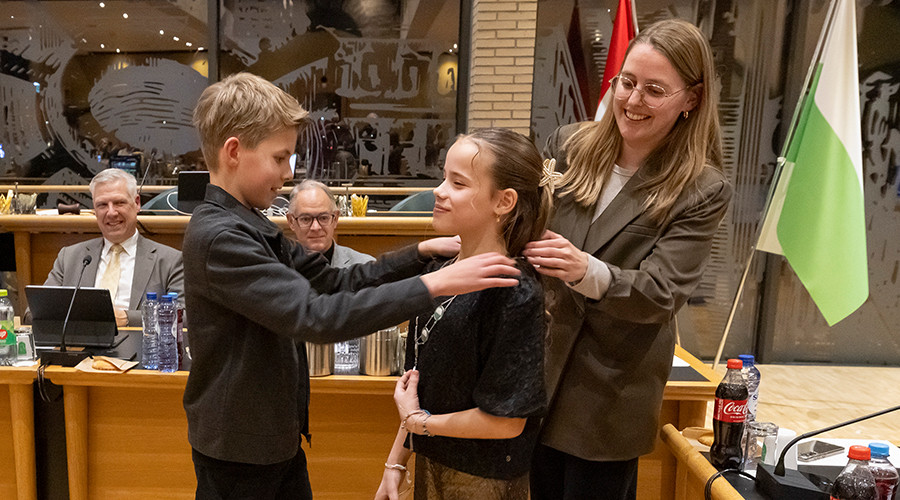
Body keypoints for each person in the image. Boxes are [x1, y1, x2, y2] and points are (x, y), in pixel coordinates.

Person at [183, 72, 522, 500]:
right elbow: (317, 316)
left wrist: (417, 253)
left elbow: (334, 280)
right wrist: (433, 283)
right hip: (240, 453)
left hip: (273, 441)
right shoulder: (220, 237)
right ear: (234, 151)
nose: (288, 173)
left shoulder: (248, 223)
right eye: (279, 157)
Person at [522, 19, 733, 499]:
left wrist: (585, 270)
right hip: (533, 370)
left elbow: (661, 293)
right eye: (627, 82)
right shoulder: (567, 147)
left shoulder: (702, 189)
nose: (633, 101)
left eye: (654, 90)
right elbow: (526, 226)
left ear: (691, 99)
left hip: (607, 389)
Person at [375, 128, 552, 500]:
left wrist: (418, 423)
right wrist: (396, 462)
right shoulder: (441, 268)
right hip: (432, 466)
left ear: (503, 201)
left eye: (458, 183)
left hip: (484, 481)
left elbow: (506, 421)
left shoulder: (513, 290)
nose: (439, 191)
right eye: (444, 177)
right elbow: (419, 388)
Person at [37, 168, 184, 327]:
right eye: (102, 205)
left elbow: (185, 315)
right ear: (94, 210)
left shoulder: (170, 260)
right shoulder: (69, 257)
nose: (111, 213)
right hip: (82, 345)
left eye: (119, 203)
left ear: (136, 203)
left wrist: (129, 318)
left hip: (140, 347)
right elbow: (35, 313)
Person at [286, 180, 374, 266]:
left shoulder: (365, 266)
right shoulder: (278, 269)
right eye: (305, 219)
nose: (316, 227)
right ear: (291, 221)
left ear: (335, 219)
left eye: (323, 218)